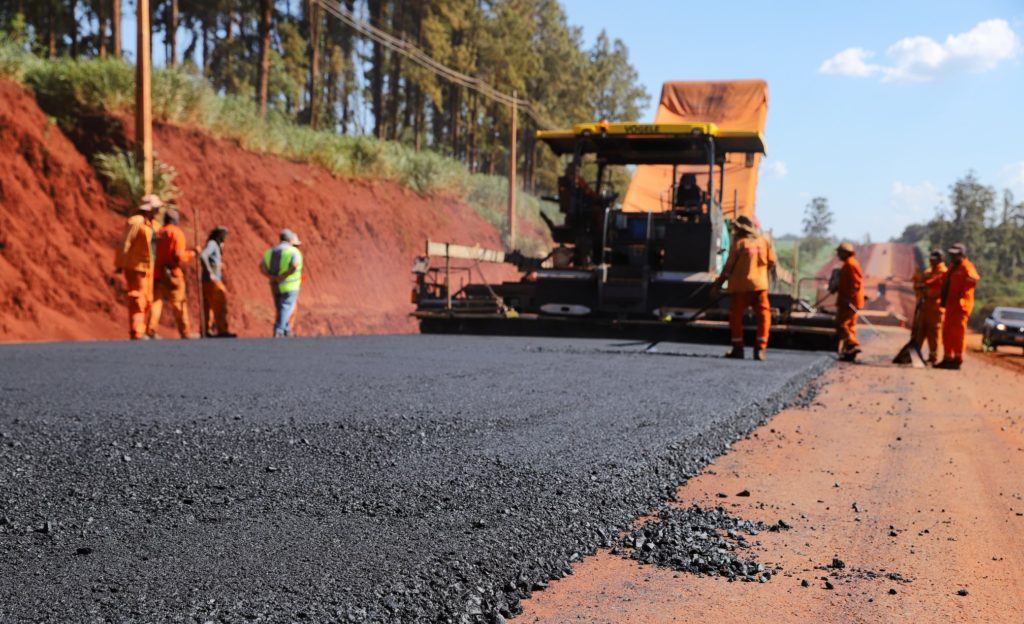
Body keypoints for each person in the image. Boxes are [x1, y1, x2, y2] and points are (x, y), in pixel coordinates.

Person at [710, 215, 776, 361]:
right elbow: (772, 262)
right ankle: (760, 349)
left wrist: (717, 285)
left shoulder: (739, 244)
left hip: (741, 288)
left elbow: (728, 269)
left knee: (735, 317)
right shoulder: (763, 242)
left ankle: (738, 348)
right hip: (760, 287)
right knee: (764, 317)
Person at [114, 194, 161, 340]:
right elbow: (125, 243)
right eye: (156, 208)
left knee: (147, 299)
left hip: (148, 267)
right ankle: (136, 331)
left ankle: (143, 329)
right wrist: (120, 262)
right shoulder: (136, 222)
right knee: (138, 298)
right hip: (136, 267)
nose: (158, 211)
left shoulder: (152, 224)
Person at [148, 210, 196, 339]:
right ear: (175, 220)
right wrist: (192, 254)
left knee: (156, 302)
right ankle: (185, 332)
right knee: (179, 303)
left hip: (158, 273)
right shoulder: (177, 233)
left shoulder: (159, 233)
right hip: (173, 273)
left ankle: (150, 330)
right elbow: (178, 255)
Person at [936, 243, 980, 370]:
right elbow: (942, 278)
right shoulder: (952, 268)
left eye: (956, 254)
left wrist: (963, 295)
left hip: (961, 307)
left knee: (958, 333)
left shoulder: (967, 267)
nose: (953, 257)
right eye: (952, 254)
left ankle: (957, 359)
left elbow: (974, 279)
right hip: (950, 305)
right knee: (947, 332)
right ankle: (947, 358)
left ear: (962, 255)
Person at [260, 228, 303, 337]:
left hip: (274, 284)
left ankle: (287, 329)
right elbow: (294, 265)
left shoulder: (270, 251)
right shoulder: (294, 251)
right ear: (290, 240)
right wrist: (283, 276)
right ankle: (279, 329)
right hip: (290, 285)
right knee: (286, 306)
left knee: (281, 307)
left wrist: (271, 277)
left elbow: (261, 266)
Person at [199, 225, 236, 338]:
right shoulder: (213, 244)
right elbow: (203, 256)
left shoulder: (215, 245)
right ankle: (222, 330)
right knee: (220, 305)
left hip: (207, 280)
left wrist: (217, 265)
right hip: (213, 280)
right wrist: (210, 271)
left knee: (208, 306)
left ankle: (207, 330)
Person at [912, 249, 947, 365]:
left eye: (934, 260)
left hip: (935, 308)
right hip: (923, 306)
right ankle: (915, 356)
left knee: (934, 334)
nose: (931, 262)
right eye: (931, 259)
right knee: (919, 332)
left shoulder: (943, 273)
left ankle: (933, 357)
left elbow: (937, 291)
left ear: (940, 260)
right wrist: (919, 284)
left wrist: (925, 289)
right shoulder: (928, 271)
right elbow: (917, 285)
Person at [832, 242, 864, 361]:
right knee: (850, 326)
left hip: (849, 301)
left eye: (840, 253)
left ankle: (852, 343)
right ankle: (849, 352)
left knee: (841, 324)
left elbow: (856, 284)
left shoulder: (851, 264)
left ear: (845, 253)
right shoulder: (848, 264)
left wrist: (849, 298)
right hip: (849, 300)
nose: (838, 255)